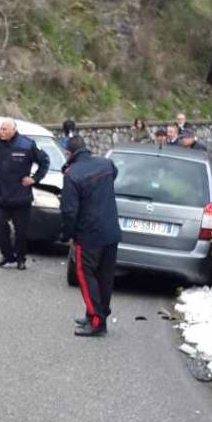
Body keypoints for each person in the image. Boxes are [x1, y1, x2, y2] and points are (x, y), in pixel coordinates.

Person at [59, 137, 122, 338]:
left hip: (89, 235)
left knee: (86, 276)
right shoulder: (106, 164)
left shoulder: (72, 175)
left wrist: (67, 235)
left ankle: (96, 321)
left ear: (69, 153)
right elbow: (114, 175)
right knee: (104, 277)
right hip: (111, 231)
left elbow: (69, 211)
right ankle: (97, 314)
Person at [0, 118, 50, 270]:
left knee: (21, 232)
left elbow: (44, 161)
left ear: (13, 130)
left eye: (5, 129)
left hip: (21, 196)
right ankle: (7, 255)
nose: (1, 131)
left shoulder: (27, 144)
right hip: (2, 195)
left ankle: (20, 258)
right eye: (1, 129)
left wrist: (34, 179)